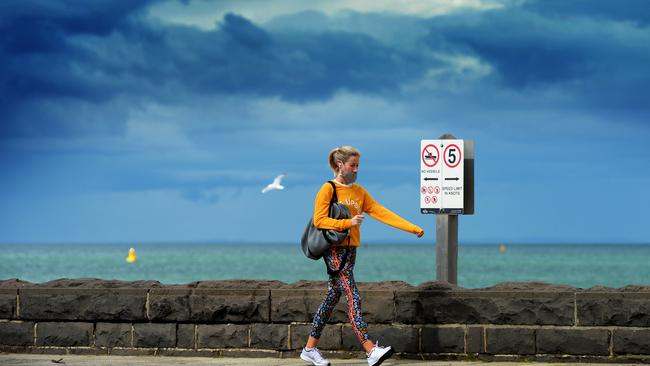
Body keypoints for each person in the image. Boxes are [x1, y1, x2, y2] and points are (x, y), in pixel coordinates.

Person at [300, 146, 425, 366]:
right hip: (334, 251)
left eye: (358, 165)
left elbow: (380, 211)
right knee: (352, 295)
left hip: (351, 251)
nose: (356, 169)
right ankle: (370, 349)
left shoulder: (359, 191)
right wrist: (347, 222)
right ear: (340, 165)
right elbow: (319, 220)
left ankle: (309, 348)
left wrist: (411, 228)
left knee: (332, 297)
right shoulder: (328, 189)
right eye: (352, 165)